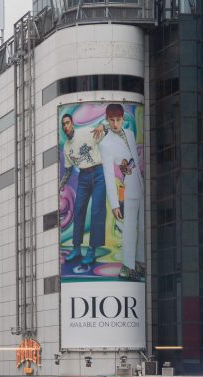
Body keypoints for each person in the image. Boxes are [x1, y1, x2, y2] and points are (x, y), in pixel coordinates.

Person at [96, 102, 145, 280]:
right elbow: (109, 176)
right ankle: (127, 267)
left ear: (123, 119)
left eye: (118, 119)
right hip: (128, 185)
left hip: (140, 183)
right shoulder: (105, 144)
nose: (115, 123)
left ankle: (138, 263)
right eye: (111, 120)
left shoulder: (130, 134)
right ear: (107, 121)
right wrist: (115, 204)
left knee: (142, 227)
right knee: (130, 228)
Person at [60, 110, 110, 272]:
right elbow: (68, 171)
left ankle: (92, 250)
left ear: (72, 124)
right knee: (79, 210)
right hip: (83, 177)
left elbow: (107, 128)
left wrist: (103, 126)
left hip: (98, 173)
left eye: (67, 123)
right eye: (63, 125)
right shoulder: (67, 148)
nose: (66, 126)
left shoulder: (85, 133)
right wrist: (60, 185)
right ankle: (76, 248)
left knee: (96, 211)